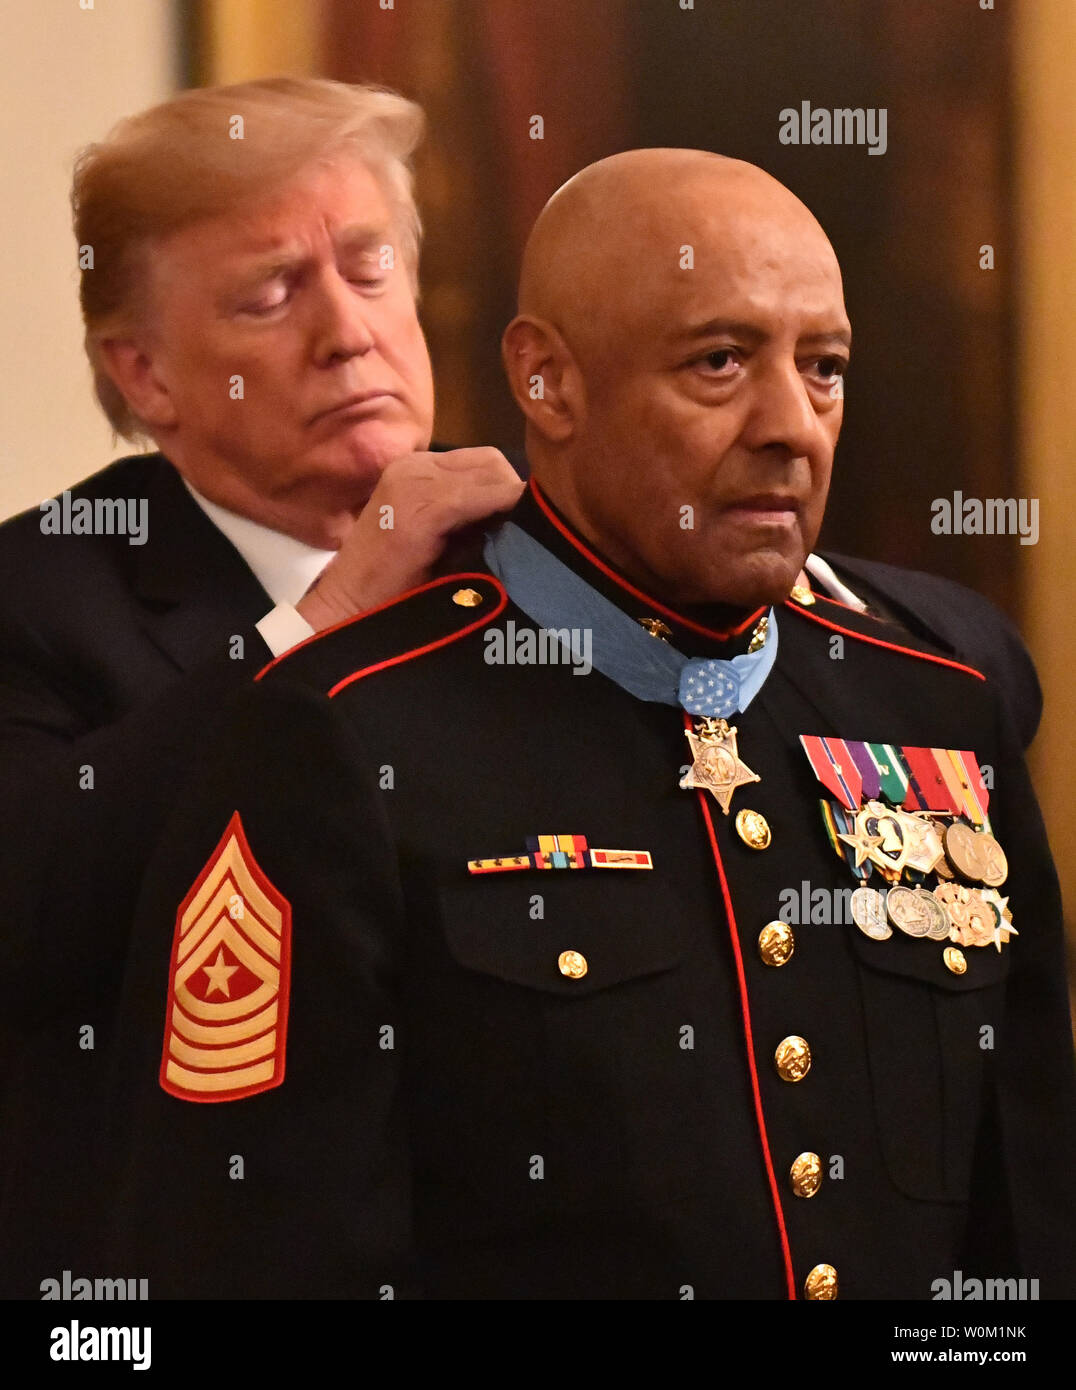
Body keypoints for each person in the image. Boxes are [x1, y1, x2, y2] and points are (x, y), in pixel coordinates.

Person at [88, 147, 1075, 1300]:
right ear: (547, 380)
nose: (789, 426)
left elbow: (1024, 1231)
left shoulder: (933, 711)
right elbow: (248, 1250)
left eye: (824, 369)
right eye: (718, 362)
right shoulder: (351, 736)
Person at [0, 77, 522, 1292]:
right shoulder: (37, 599)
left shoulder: (525, 554)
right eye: (270, 293)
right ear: (146, 374)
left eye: (370, 264)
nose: (346, 329)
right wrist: (323, 620)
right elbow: (28, 908)